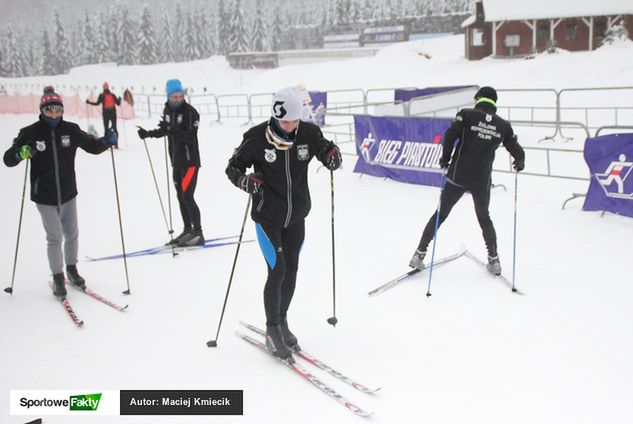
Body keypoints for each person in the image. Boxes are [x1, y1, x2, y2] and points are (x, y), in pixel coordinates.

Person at [225, 86, 342, 361]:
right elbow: (233, 167)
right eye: (285, 121)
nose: (290, 126)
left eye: (295, 120)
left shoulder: (309, 134)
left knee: (292, 271)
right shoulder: (256, 138)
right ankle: (271, 329)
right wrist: (245, 181)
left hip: (297, 216)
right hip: (268, 216)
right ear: (276, 116)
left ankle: (282, 320)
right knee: (277, 270)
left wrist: (331, 156)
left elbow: (325, 150)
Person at [3, 86, 118, 297]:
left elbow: (91, 146)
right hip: (44, 195)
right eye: (49, 110)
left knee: (72, 234)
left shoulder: (71, 130)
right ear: (42, 110)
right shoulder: (30, 133)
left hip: (68, 193)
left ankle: (72, 269)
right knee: (55, 236)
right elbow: (8, 158)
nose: (54, 114)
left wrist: (106, 141)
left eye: (57, 110)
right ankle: (57, 277)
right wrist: (21, 153)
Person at [409, 86, 525, 275]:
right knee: (484, 217)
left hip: (458, 175)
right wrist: (520, 160)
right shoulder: (503, 125)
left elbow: (449, 136)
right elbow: (513, 145)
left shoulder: (466, 115)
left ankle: (419, 254)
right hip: (481, 179)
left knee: (441, 214)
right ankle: (494, 260)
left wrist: (445, 158)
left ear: (478, 100)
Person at [136, 79, 204, 247]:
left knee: (188, 196)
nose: (178, 98)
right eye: (174, 96)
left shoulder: (190, 112)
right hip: (176, 161)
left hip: (190, 162)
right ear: (168, 96)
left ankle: (198, 232)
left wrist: (174, 130)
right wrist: (149, 134)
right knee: (180, 196)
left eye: (180, 95)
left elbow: (190, 136)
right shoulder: (168, 110)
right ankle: (188, 229)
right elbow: (165, 130)